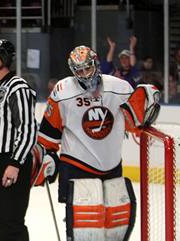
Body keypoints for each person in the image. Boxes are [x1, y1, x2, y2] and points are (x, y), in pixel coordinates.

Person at [36, 45, 161, 241]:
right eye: (79, 70)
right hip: (76, 165)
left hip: (111, 166)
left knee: (114, 229)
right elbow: (49, 134)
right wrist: (48, 156)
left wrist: (144, 114)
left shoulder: (120, 87)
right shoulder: (62, 91)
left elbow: (134, 124)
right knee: (82, 229)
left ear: (96, 64)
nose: (84, 75)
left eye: (88, 68)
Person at [0, 39, 38, 241]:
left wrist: (15, 163)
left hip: (9, 161)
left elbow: (28, 129)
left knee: (10, 221)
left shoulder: (17, 87)